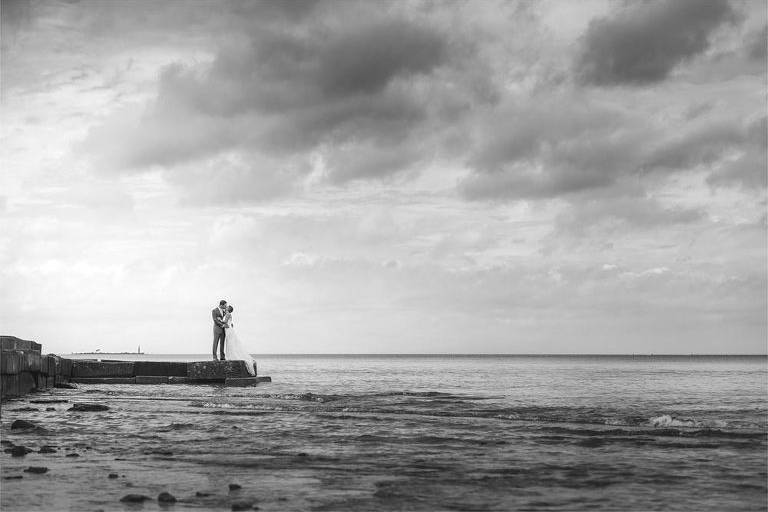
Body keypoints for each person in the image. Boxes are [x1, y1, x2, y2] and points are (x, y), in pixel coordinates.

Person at [223, 305, 256, 376]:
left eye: (227, 307)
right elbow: (230, 323)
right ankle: (230, 355)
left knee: (230, 343)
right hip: (228, 329)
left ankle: (231, 356)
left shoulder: (228, 314)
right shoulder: (228, 314)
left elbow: (225, 322)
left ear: (229, 309)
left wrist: (219, 320)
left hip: (228, 330)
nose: (226, 307)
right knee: (230, 342)